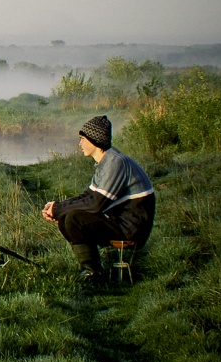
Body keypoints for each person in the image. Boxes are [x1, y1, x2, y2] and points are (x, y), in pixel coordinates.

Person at [42, 115, 155, 281]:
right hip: (120, 221)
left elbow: (96, 204)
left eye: (82, 139)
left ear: (95, 140)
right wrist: (58, 207)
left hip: (131, 228)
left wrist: (59, 209)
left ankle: (93, 274)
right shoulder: (106, 162)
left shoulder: (116, 163)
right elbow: (88, 196)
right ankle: (91, 271)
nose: (80, 144)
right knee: (67, 217)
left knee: (74, 218)